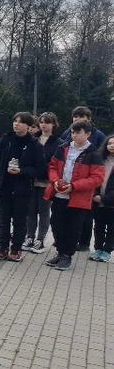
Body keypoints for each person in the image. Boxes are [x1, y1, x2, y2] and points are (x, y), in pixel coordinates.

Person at [44, 122, 104, 271]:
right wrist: (55, 181)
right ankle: (60, 252)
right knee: (57, 224)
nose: (74, 135)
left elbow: (97, 178)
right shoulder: (63, 148)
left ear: (88, 134)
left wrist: (74, 186)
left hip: (79, 198)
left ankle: (67, 256)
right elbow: (52, 167)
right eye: (72, 132)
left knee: (73, 228)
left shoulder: (93, 154)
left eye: (78, 132)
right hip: (59, 194)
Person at [0, 112, 45, 262]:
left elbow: (40, 169)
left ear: (28, 126)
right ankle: (2, 247)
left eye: (20, 122)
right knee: (3, 219)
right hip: (4, 186)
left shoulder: (34, 144)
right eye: (15, 121)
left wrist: (22, 171)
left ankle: (16, 248)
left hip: (23, 189)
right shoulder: (5, 139)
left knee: (19, 220)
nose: (16, 124)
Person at [59, 106, 106, 252]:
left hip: (88, 180)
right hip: (66, 183)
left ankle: (84, 242)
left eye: (81, 116)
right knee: (64, 215)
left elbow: (102, 155)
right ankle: (64, 241)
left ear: (89, 119)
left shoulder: (98, 135)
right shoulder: (67, 133)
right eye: (75, 116)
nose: (78, 119)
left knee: (86, 215)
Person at [23, 112, 62, 254]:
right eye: (41, 122)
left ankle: (40, 239)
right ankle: (29, 236)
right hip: (32, 180)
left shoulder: (59, 143)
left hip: (47, 182)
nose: (44, 125)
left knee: (44, 211)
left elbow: (57, 164)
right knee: (30, 210)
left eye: (47, 122)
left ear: (53, 124)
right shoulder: (33, 139)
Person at [89, 135, 114, 263]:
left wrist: (104, 198)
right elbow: (94, 177)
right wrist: (95, 195)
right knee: (98, 226)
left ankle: (107, 250)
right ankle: (98, 248)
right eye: (109, 143)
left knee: (111, 227)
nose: (111, 146)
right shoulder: (101, 159)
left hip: (110, 202)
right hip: (97, 199)